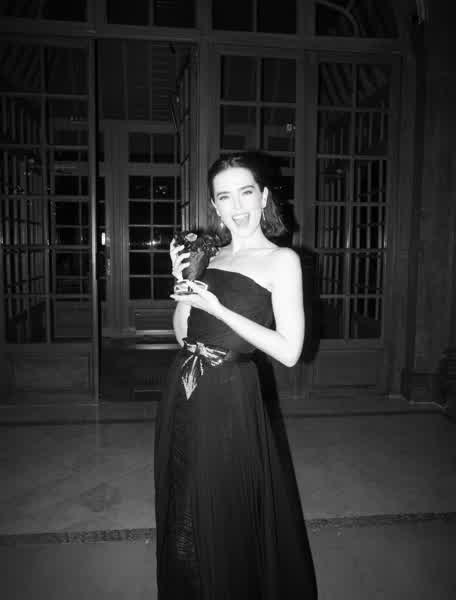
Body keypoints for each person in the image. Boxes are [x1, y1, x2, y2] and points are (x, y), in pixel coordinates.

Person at [154, 152, 318, 599]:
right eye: (225, 196)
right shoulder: (210, 255)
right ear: (214, 204)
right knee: (184, 497)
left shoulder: (281, 260)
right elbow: (184, 335)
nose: (237, 206)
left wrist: (220, 309)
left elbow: (289, 352)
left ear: (263, 197)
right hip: (183, 389)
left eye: (246, 192)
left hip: (230, 393)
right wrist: (182, 285)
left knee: (224, 503)